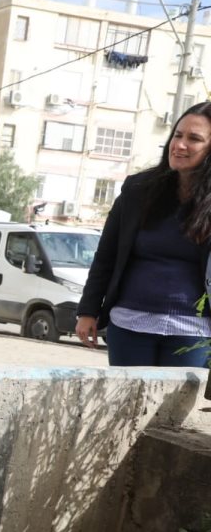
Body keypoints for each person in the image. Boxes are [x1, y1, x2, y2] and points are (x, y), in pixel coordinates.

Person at [77, 102, 211, 367]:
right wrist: (88, 311)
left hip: (193, 332)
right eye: (178, 135)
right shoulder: (138, 190)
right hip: (129, 326)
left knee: (175, 409)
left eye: (194, 139)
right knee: (129, 409)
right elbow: (106, 255)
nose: (180, 145)